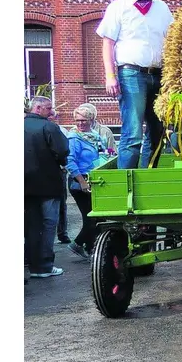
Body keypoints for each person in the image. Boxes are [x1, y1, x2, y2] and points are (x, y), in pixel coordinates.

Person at [97, 0, 173, 170]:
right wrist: (110, 76)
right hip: (131, 73)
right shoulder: (118, 6)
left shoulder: (161, 8)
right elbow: (108, 43)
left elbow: (172, 40)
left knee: (157, 130)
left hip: (159, 74)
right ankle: (126, 183)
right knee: (133, 131)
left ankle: (148, 177)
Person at [24, 95, 69, 279]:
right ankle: (43, 265)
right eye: (48, 108)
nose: (51, 111)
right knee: (49, 223)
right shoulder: (49, 127)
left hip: (24, 185)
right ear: (38, 108)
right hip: (48, 183)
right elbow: (62, 151)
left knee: (31, 226)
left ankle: (31, 262)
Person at [64, 103, 112, 258]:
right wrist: (82, 181)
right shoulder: (74, 138)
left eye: (83, 120)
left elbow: (102, 154)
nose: (80, 123)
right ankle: (78, 244)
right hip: (81, 181)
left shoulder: (95, 136)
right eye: (77, 120)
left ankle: (92, 248)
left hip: (95, 178)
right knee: (92, 218)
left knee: (97, 217)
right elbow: (70, 161)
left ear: (92, 120)